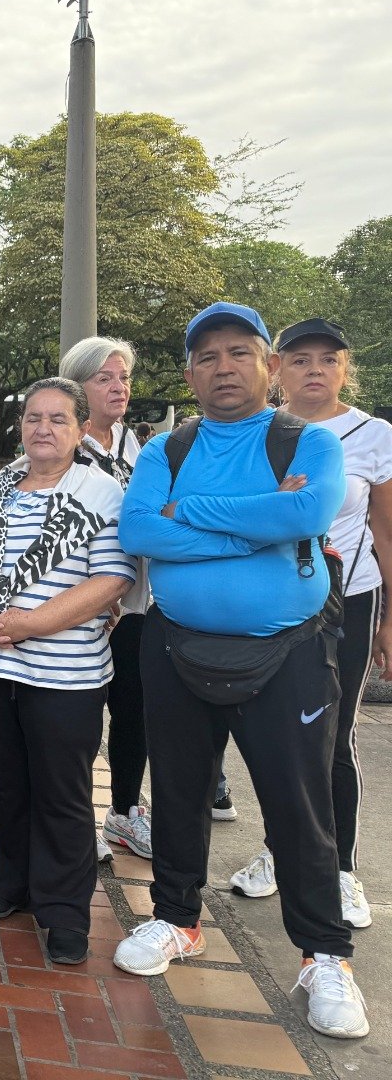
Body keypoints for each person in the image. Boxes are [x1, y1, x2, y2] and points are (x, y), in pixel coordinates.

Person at [113, 302, 368, 1041]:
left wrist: (187, 514)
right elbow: (138, 529)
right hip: (176, 646)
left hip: (288, 652)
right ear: (190, 372)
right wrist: (254, 525)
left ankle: (324, 955)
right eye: (207, 357)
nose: (223, 367)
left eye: (238, 353)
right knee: (179, 791)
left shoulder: (306, 441)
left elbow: (305, 516)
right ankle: (176, 919)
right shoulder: (168, 448)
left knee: (299, 804)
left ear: (268, 365)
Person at [0, 379, 135, 966]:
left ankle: (64, 912)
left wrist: (30, 624)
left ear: (80, 430)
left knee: (62, 795)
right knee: (9, 785)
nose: (43, 428)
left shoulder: (101, 491)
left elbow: (112, 579)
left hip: (66, 675)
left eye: (58, 419)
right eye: (33, 417)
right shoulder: (0, 485)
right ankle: (12, 885)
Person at [227, 319, 392, 932]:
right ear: (277, 369)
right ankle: (280, 850)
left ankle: (340, 869)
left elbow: (385, 532)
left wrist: (390, 619)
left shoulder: (373, 436)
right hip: (275, 599)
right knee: (280, 733)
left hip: (348, 599)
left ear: (345, 368)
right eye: (299, 359)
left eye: (328, 359)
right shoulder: (260, 430)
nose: (314, 370)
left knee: (334, 734)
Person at [59, 336, 152, 865]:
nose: (119, 388)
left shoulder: (135, 445)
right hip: (81, 604)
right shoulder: (64, 445)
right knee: (79, 716)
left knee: (133, 710)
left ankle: (124, 811)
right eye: (105, 378)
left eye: (124, 378)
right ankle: (76, 819)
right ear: (78, 386)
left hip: (136, 602)